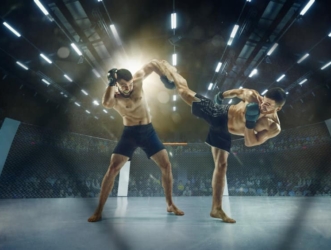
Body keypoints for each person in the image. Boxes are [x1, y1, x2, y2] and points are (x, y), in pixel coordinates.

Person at [160, 60, 287, 223]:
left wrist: (249, 122)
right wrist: (221, 96)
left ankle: (216, 209)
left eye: (268, 105)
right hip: (219, 113)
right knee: (185, 92)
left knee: (222, 165)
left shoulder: (273, 127)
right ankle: (172, 72)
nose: (262, 105)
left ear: (278, 109)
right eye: (263, 100)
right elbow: (236, 92)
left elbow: (250, 143)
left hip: (224, 132)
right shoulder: (252, 96)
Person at [88, 60, 184, 222]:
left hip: (148, 131)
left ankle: (170, 204)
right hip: (130, 134)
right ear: (117, 84)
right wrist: (111, 83)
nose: (128, 87)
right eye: (123, 85)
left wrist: (163, 77)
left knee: (166, 165)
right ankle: (98, 210)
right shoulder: (114, 96)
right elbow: (106, 104)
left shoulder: (138, 81)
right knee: (113, 168)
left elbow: (152, 64)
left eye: (129, 83)